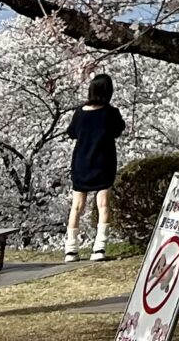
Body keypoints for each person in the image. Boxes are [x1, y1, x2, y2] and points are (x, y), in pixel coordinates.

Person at [64, 72, 127, 260]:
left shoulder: (79, 112)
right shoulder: (111, 113)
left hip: (81, 161)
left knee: (76, 206)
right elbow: (118, 130)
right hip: (103, 161)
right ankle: (99, 248)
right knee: (103, 205)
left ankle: (71, 249)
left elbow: (71, 133)